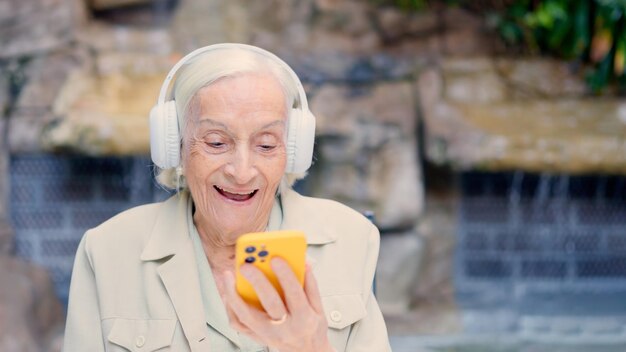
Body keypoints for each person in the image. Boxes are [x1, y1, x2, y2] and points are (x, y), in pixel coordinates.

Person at [63, 43, 391, 352]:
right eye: (217, 142)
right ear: (174, 144)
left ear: (292, 151)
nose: (242, 171)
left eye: (265, 145)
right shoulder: (106, 251)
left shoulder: (352, 239)